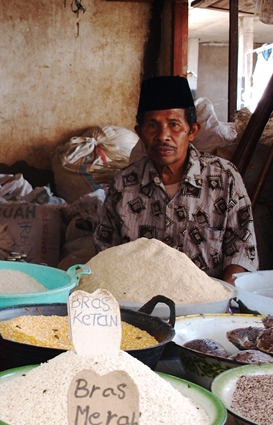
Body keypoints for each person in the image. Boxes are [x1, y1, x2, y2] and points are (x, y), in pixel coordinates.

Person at [93, 76, 257, 285]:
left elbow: (243, 252)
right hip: (138, 298)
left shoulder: (224, 178)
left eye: (174, 125)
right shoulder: (124, 184)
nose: (163, 136)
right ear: (140, 133)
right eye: (152, 125)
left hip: (207, 300)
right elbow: (105, 252)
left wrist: (225, 295)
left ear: (192, 131)